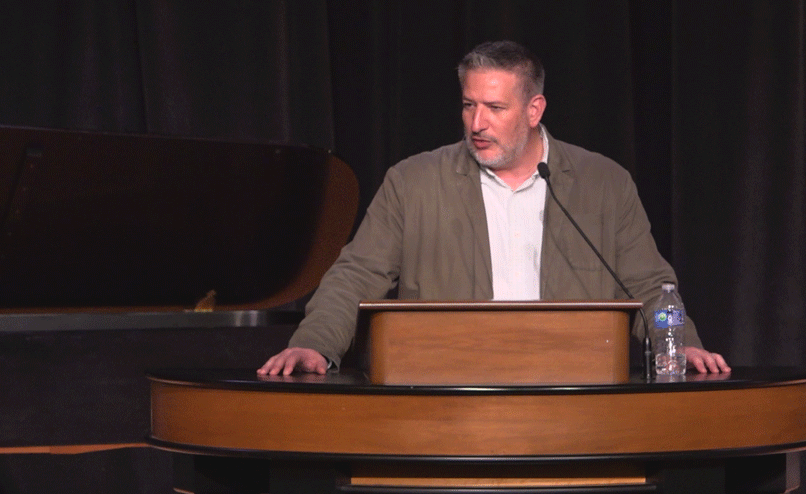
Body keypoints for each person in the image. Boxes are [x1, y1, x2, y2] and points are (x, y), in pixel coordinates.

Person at [259, 41, 729, 376]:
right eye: (468, 105)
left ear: (534, 109)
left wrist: (680, 342)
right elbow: (355, 276)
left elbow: (651, 286)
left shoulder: (604, 183)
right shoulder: (414, 181)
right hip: (448, 392)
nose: (477, 124)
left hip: (572, 391)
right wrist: (314, 343)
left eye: (494, 107)